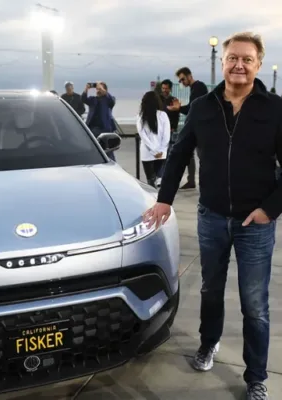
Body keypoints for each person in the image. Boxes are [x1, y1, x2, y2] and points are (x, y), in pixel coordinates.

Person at [143, 32, 282, 400]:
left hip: (256, 223)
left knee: (255, 303)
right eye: (232, 58)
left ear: (258, 64)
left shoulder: (275, 108)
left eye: (247, 59)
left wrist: (270, 209)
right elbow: (178, 152)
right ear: (223, 63)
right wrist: (164, 199)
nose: (239, 65)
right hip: (212, 217)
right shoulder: (203, 106)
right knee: (210, 289)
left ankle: (255, 377)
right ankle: (209, 343)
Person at [168, 67, 208, 190]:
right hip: (196, 126)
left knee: (203, 156)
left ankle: (205, 183)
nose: (182, 82)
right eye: (180, 81)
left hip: (201, 127)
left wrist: (178, 108)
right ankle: (191, 181)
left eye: (183, 79)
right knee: (189, 154)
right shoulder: (194, 88)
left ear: (189, 76)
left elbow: (193, 108)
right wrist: (179, 108)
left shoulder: (199, 87)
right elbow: (192, 109)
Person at [136, 91, 170, 187]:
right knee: (159, 180)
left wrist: (154, 151)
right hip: (161, 153)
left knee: (150, 181)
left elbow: (143, 136)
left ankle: (152, 199)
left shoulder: (140, 116)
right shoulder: (163, 115)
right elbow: (166, 136)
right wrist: (160, 150)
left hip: (147, 152)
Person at [82, 81, 116, 161]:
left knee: (108, 150)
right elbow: (83, 99)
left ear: (105, 90)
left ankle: (111, 164)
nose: (98, 90)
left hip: (105, 128)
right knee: (94, 148)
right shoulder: (92, 99)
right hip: (93, 128)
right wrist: (86, 89)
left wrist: (101, 88)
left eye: (100, 89)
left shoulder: (108, 99)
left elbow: (112, 102)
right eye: (97, 89)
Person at [157, 79, 180, 186]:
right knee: (159, 154)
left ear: (170, 89)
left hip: (170, 131)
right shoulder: (158, 100)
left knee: (168, 155)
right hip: (159, 131)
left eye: (166, 88)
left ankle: (165, 176)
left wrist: (173, 128)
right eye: (163, 88)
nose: (164, 90)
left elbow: (176, 115)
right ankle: (159, 176)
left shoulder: (174, 100)